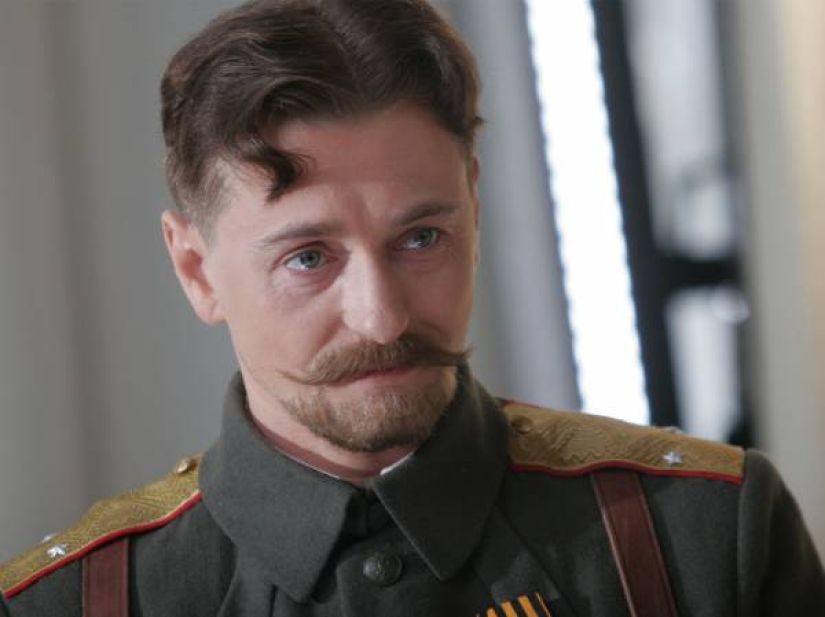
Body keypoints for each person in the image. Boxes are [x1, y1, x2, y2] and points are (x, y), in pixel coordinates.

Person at [1, 0, 824, 615]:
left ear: (474, 205)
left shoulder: (705, 535)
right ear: (196, 270)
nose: (383, 317)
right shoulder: (70, 602)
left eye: (421, 237)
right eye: (308, 257)